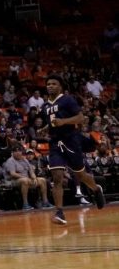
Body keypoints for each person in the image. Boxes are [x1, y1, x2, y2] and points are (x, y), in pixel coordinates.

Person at [42, 75, 105, 224]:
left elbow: (80, 118)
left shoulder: (68, 100)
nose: (50, 86)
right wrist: (45, 128)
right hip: (55, 143)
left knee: (81, 175)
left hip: (71, 140)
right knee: (57, 177)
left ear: (60, 87)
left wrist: (63, 121)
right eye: (48, 84)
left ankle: (96, 189)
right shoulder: (45, 106)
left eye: (53, 84)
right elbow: (52, 123)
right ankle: (59, 212)